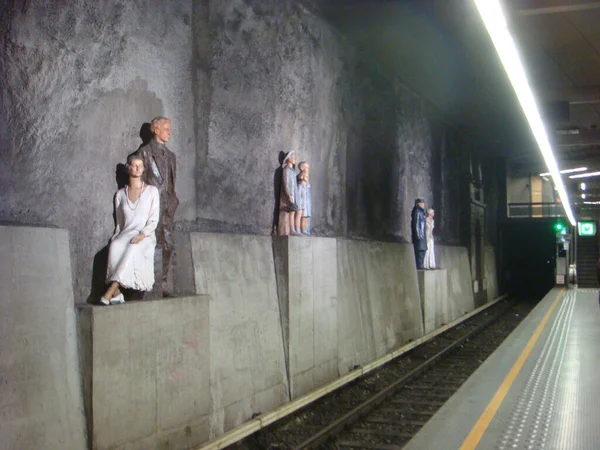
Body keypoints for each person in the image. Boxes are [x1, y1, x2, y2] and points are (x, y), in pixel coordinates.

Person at [101, 154, 160, 304]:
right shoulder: (120, 195)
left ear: (144, 168)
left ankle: (109, 292)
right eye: (134, 165)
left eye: (140, 165)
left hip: (145, 236)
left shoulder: (152, 191)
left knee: (133, 248)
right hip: (126, 233)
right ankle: (117, 293)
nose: (137, 168)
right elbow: (120, 223)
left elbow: (153, 219)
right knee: (114, 246)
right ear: (128, 168)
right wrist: (116, 237)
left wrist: (142, 235)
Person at [133, 116, 178, 296]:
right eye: (166, 128)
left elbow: (172, 182)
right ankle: (145, 283)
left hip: (168, 205)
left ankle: (163, 283)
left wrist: (173, 199)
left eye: (170, 129)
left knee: (168, 245)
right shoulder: (144, 153)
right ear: (156, 130)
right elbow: (140, 180)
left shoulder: (172, 156)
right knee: (150, 244)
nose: (169, 132)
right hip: (151, 205)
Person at [278, 151, 299, 236]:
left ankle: (292, 229)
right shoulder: (286, 170)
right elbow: (285, 183)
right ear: (288, 159)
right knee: (287, 212)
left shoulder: (293, 171)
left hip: (293, 194)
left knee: (293, 211)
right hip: (287, 196)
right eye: (293, 158)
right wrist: (288, 194)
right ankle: (286, 230)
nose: (294, 159)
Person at [411, 198, 427, 270]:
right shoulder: (417, 212)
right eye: (422, 203)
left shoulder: (422, 212)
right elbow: (417, 224)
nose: (423, 204)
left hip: (422, 237)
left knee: (422, 252)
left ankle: (421, 266)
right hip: (420, 238)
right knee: (420, 253)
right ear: (418, 204)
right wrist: (418, 236)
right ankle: (419, 267)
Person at [298, 161, 311, 235]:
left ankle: (305, 230)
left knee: (306, 216)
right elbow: (300, 194)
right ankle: (303, 230)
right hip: (303, 202)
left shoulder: (306, 185)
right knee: (303, 216)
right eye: (306, 168)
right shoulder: (300, 185)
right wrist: (302, 203)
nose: (307, 170)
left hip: (307, 202)